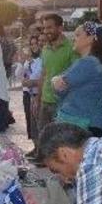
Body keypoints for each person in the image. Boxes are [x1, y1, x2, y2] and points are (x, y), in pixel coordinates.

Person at [50, 21, 102, 136]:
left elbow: (59, 86)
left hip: (84, 125)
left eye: (78, 35)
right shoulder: (92, 62)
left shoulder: (88, 63)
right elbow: (60, 89)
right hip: (89, 124)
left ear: (90, 38)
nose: (74, 39)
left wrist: (55, 79)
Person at [34, 13, 78, 157]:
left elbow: (75, 76)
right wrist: (38, 98)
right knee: (43, 135)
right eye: (45, 28)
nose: (46, 31)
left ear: (60, 27)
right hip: (45, 100)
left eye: (50, 27)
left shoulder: (71, 48)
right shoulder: (45, 49)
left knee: (60, 140)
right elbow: (44, 74)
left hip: (61, 103)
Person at [22, 36, 43, 142]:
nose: (34, 46)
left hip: (37, 94)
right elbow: (21, 76)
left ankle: (39, 148)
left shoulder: (42, 60)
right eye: (32, 44)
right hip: (27, 93)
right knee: (30, 122)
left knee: (38, 122)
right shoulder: (29, 61)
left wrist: (31, 82)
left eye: (36, 43)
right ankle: (35, 147)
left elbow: (38, 78)